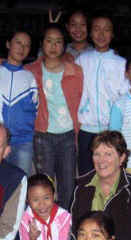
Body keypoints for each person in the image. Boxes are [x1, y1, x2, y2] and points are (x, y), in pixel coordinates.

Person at [26, 23, 83, 210]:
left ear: (64, 45)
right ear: (42, 44)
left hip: (67, 135)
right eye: (49, 41)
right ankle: (45, 228)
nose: (53, 46)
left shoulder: (75, 71)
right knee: (44, 187)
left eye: (58, 42)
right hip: (43, 135)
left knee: (68, 185)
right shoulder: (30, 71)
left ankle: (65, 226)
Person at [76, 14, 129, 175]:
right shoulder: (81, 60)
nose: (101, 34)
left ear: (112, 34)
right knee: (87, 177)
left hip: (112, 129)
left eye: (106, 30)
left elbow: (125, 98)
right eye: (97, 29)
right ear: (90, 33)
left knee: (112, 175)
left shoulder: (121, 63)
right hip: (86, 129)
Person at [0, 30, 38, 176]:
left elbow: (35, 108)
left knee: (21, 184)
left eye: (27, 45)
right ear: (8, 44)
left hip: (23, 142)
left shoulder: (29, 77)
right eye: (18, 42)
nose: (22, 48)